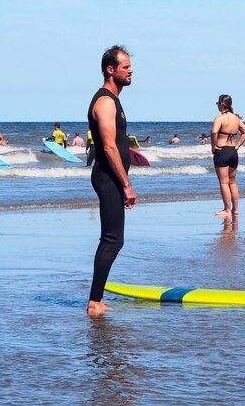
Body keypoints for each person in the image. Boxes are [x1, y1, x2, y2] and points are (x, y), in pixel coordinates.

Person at [86, 45, 137, 317]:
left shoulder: (114, 100)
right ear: (111, 69)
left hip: (111, 177)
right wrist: (126, 185)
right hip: (107, 178)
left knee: (112, 239)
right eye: (125, 67)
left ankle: (97, 299)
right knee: (112, 240)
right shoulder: (105, 101)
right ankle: (94, 302)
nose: (131, 71)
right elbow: (108, 147)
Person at [211, 94, 245, 217]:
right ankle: (235, 209)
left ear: (222, 103)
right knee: (232, 182)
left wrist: (213, 146)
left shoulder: (219, 118)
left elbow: (214, 132)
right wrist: (237, 146)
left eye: (218, 103)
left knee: (223, 182)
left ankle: (227, 209)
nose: (217, 105)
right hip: (233, 151)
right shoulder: (236, 118)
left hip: (222, 151)